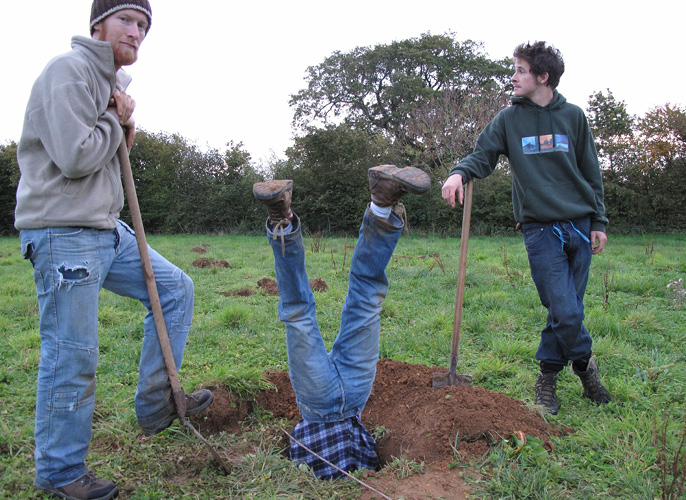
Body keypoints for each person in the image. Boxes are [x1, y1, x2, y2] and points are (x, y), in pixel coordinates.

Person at [14, 2, 212, 498]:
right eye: (127, 20)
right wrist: (115, 121)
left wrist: (119, 119)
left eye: (144, 26)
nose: (137, 32)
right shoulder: (69, 71)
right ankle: (61, 473)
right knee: (71, 355)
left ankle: (155, 403)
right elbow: (76, 156)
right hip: (64, 231)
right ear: (97, 25)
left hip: (105, 227)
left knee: (175, 290)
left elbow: (105, 150)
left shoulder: (111, 84)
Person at [441, 41, 611, 415]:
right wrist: (458, 172)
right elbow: (482, 155)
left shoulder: (574, 117)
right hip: (539, 229)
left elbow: (591, 171)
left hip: (580, 226)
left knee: (568, 309)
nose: (513, 77)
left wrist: (598, 221)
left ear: (542, 76)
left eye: (520, 70)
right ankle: (585, 366)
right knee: (566, 311)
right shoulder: (508, 120)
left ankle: (548, 376)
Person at [253, 165, 430, 478]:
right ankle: (381, 202)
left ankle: (282, 218)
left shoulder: (302, 456)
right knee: (360, 302)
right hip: (355, 393)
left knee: (301, 313)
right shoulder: (356, 454)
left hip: (319, 401)